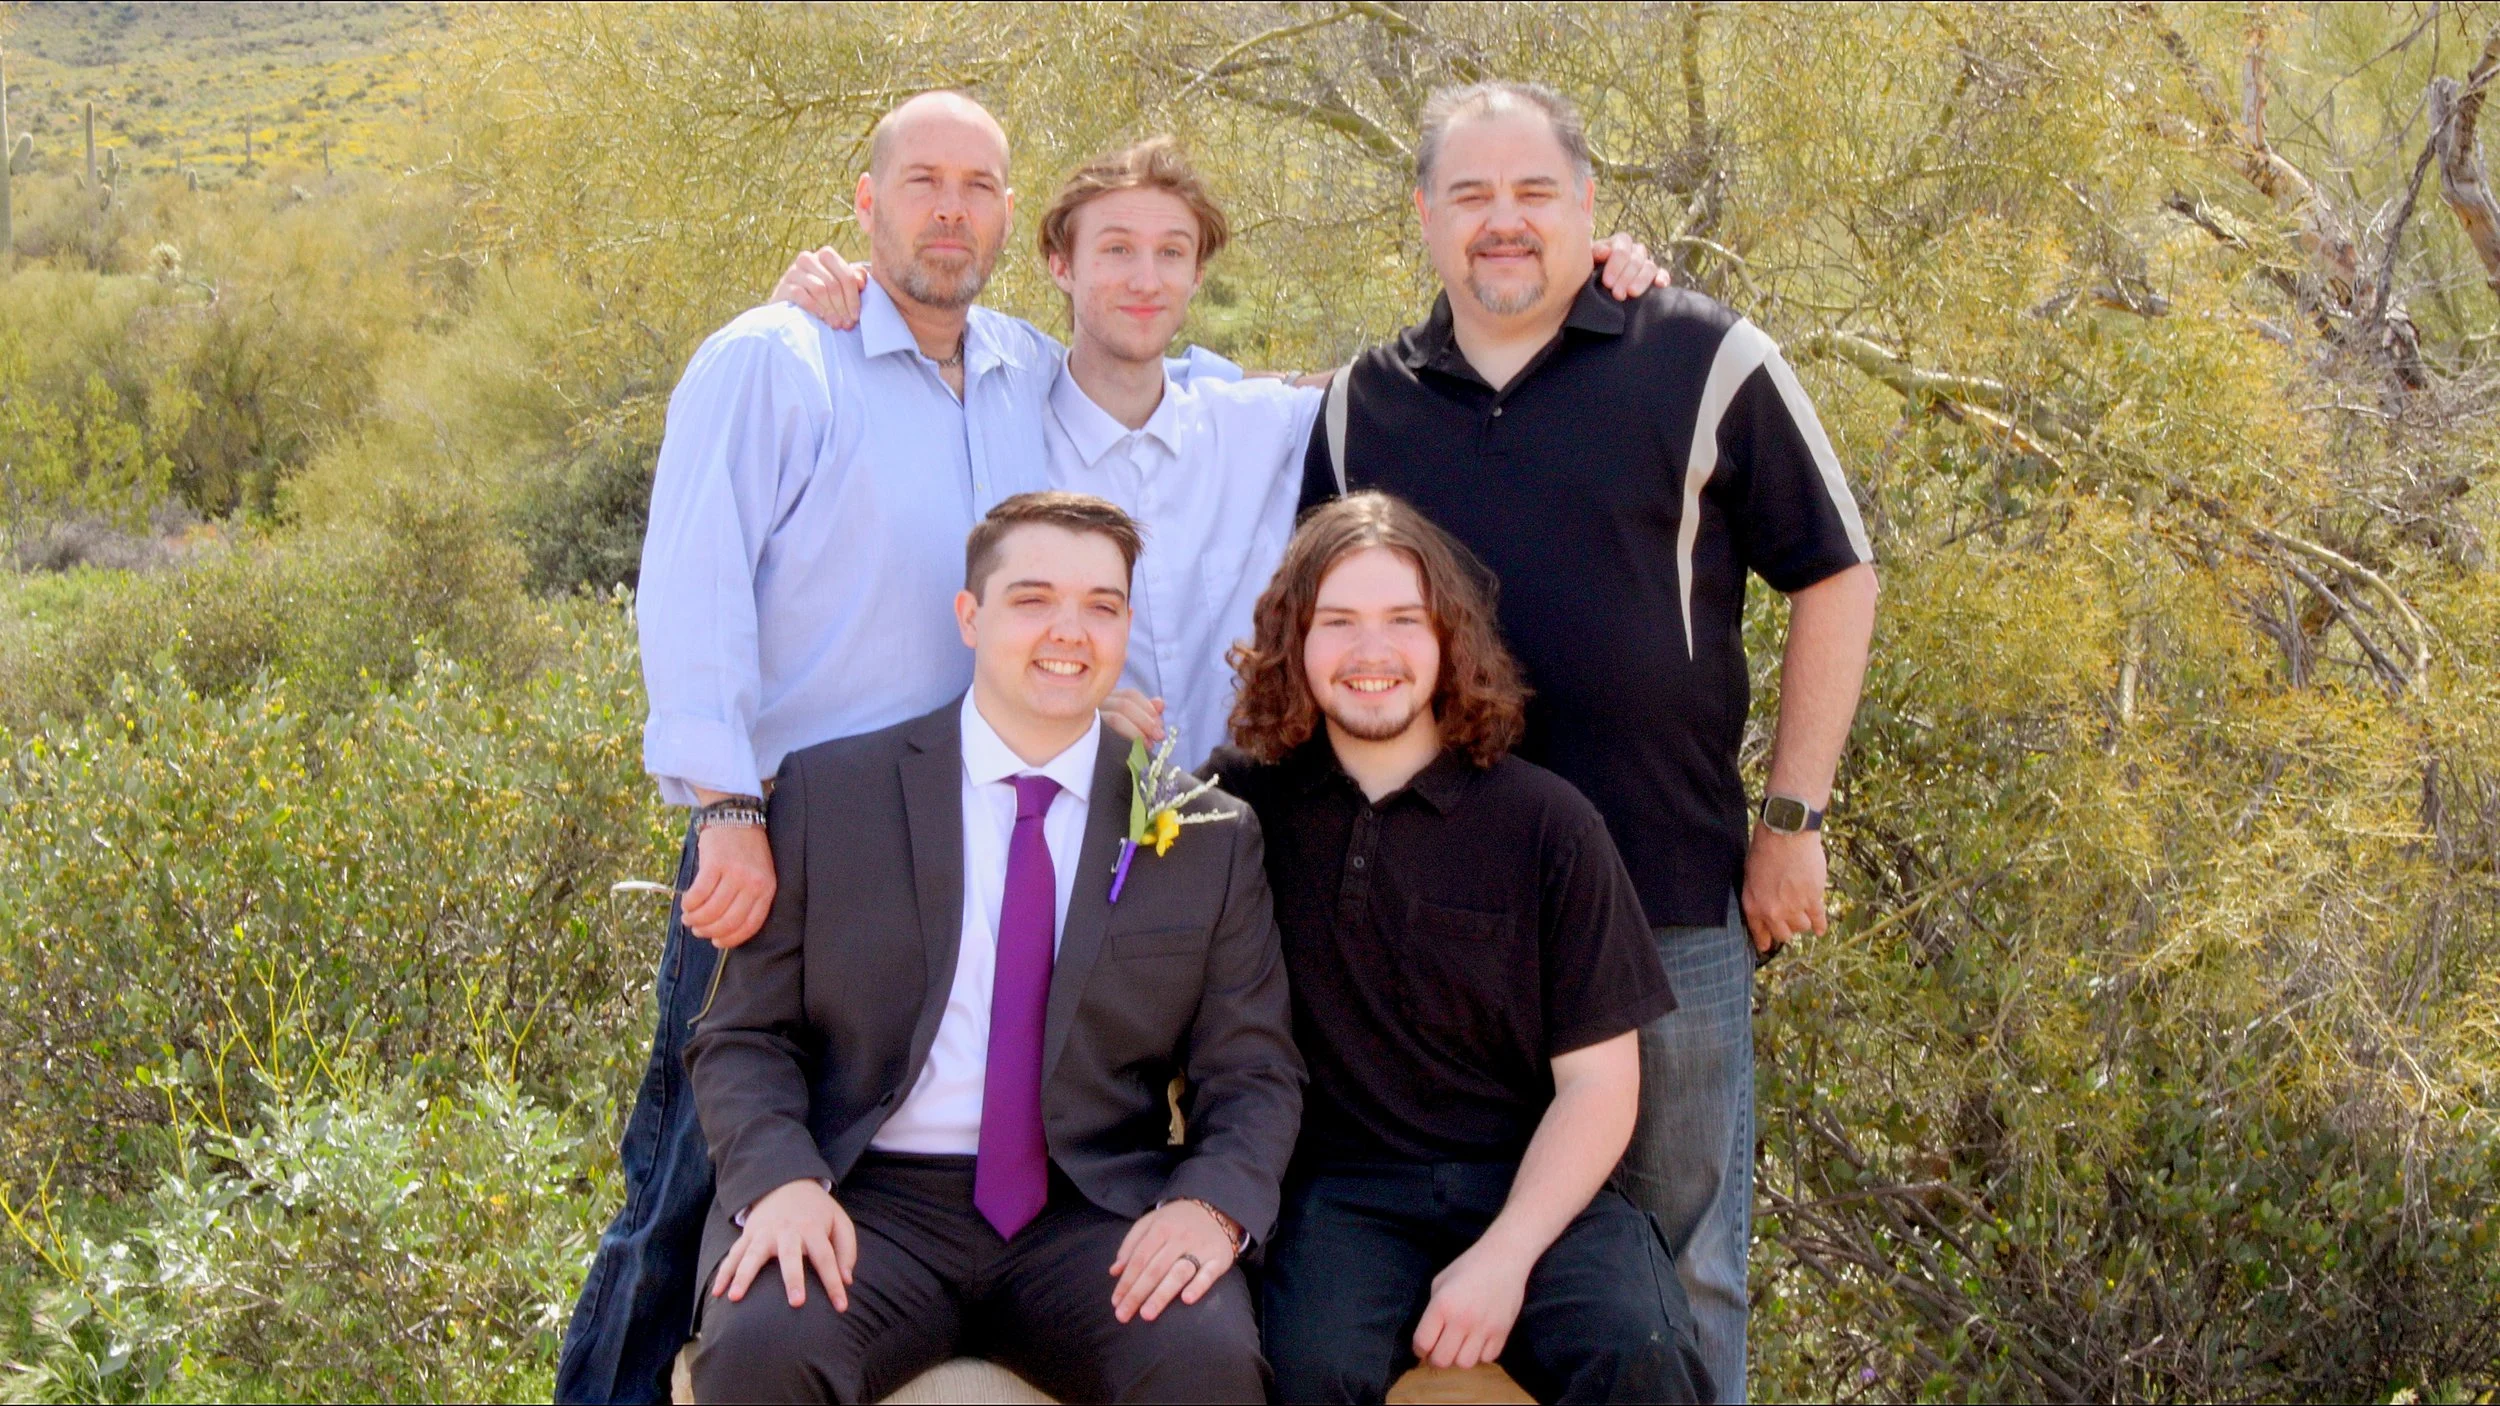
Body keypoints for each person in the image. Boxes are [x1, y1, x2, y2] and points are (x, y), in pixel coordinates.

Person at [560, 91, 1240, 1405]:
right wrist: (725, 807)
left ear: (1008, 215)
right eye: (920, 182)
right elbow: (691, 586)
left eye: (978, 185)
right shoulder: (772, 359)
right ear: (866, 205)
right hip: (786, 858)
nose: (949, 210)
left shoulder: (1028, 371)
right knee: (687, 1197)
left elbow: (1152, 420)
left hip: (987, 841)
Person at [1298, 83, 1881, 1402]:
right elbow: (1319, 630)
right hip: (1428, 936)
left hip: (1667, 899)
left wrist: (1793, 819)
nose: (1504, 223)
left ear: (1588, 205)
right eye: (1471, 196)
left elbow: (1838, 574)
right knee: (1523, 1293)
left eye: (1533, 193)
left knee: (1684, 1270)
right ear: (1424, 217)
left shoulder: (1703, 356)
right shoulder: (1356, 408)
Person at [685, 492, 1301, 1404]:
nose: (1070, 630)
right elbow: (743, 1037)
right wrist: (779, 1182)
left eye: (1102, 604)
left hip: (1091, 1209)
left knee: (1202, 1362)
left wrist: (1212, 1207)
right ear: (970, 617)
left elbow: (1252, 1072)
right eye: (1032, 598)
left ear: (1129, 624)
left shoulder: (1204, 830)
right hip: (863, 1197)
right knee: (764, 1350)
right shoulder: (832, 794)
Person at [767, 147, 1660, 769]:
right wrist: (824, 295)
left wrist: (1584, 273)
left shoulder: (1258, 426)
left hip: (1251, 838)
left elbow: (1439, 369)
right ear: (1057, 265)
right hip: (1066, 835)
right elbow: (910, 335)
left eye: (1172, 254)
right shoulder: (997, 429)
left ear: (1199, 275)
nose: (1144, 280)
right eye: (1114, 250)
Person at [1212, 492, 1710, 1405]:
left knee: (1640, 1351)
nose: (1372, 653)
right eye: (1339, 623)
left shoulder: (1548, 825)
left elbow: (1600, 1088)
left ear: (1449, 639)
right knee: (1304, 1374)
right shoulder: (1240, 808)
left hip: (1533, 1185)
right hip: (1339, 1194)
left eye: (1404, 620)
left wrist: (1506, 1257)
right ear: (1295, 639)